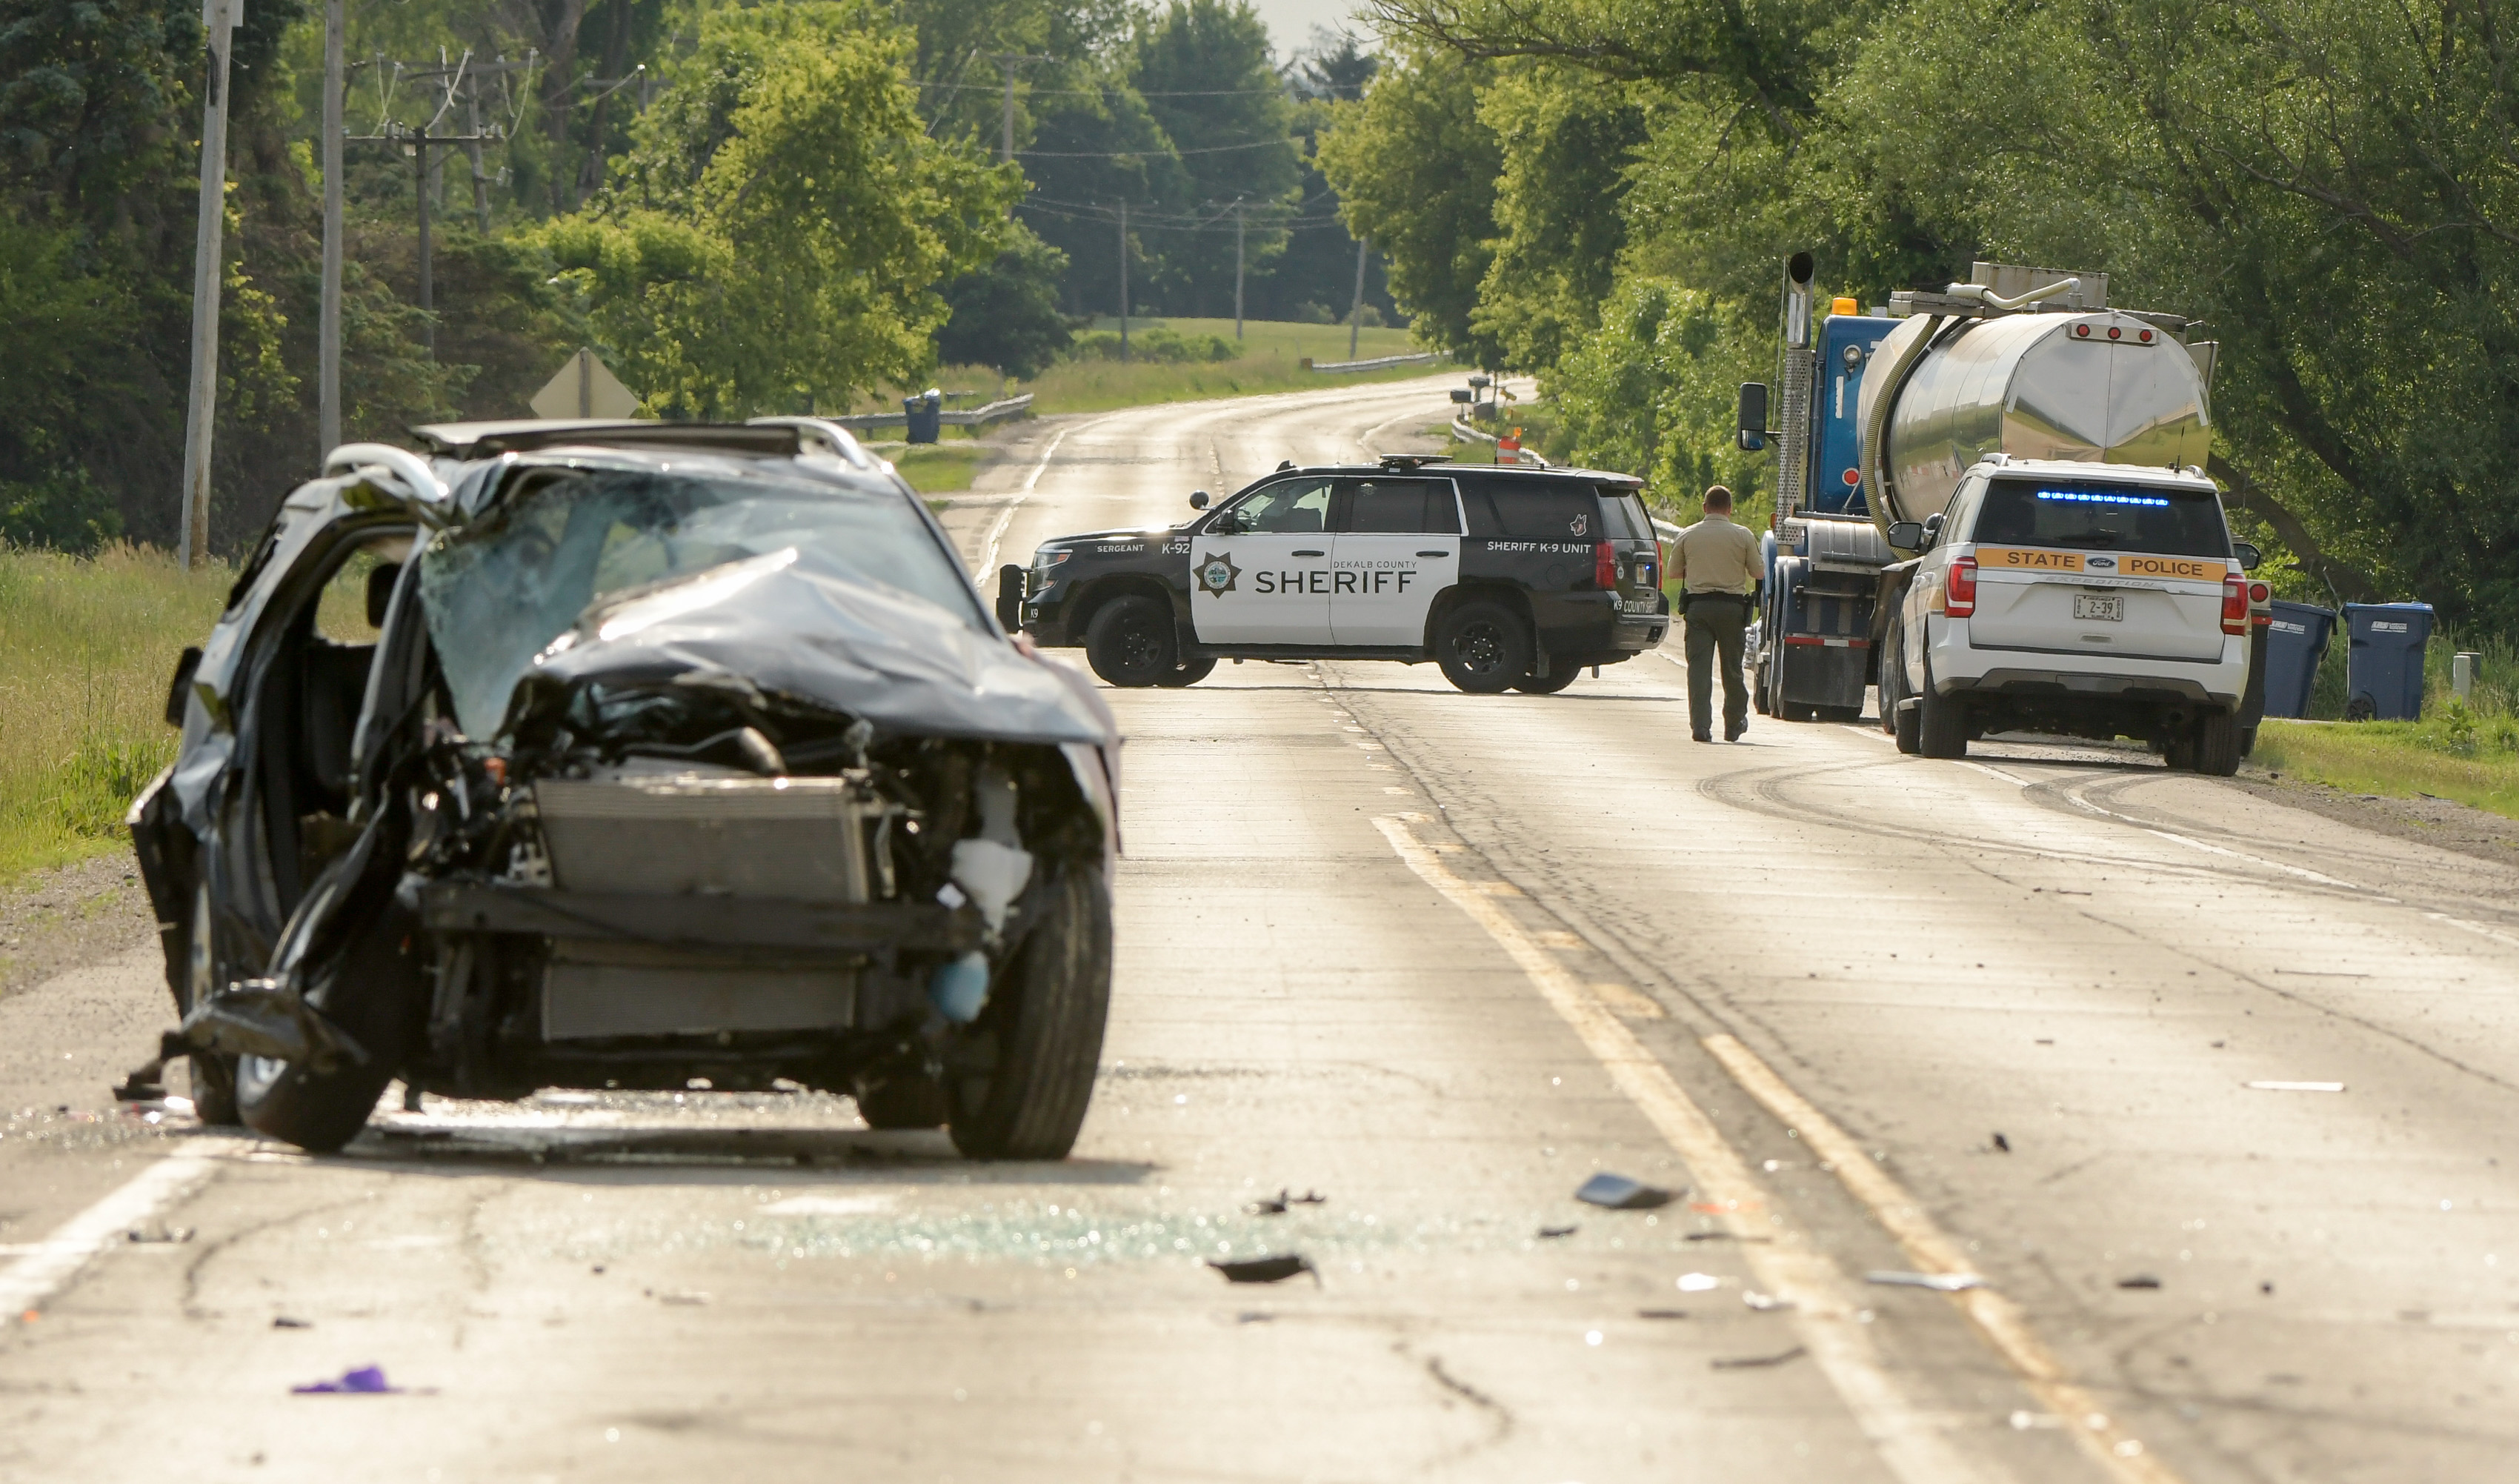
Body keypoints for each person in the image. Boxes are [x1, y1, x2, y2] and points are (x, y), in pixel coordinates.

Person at [1672, 485, 1760, 742]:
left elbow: (1674, 572)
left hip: (1698, 609)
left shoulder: (1688, 535)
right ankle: (1734, 722)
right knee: (1732, 669)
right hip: (1732, 609)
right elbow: (1759, 572)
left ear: (1704, 507)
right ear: (1730, 509)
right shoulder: (1743, 536)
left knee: (1698, 669)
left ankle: (1700, 726)